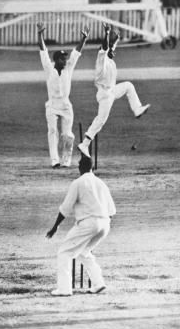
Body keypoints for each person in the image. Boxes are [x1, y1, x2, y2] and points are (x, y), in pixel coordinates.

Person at [76, 24, 150, 158]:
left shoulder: (109, 58)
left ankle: (137, 109)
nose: (114, 52)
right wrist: (106, 33)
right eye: (111, 50)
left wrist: (116, 39)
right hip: (105, 94)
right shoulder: (102, 59)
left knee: (128, 85)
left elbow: (110, 47)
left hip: (111, 91)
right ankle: (84, 144)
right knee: (101, 120)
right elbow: (105, 47)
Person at [46, 155, 116, 296]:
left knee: (64, 252)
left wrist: (55, 227)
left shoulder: (78, 183)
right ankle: (98, 283)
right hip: (105, 224)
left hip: (89, 223)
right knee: (83, 252)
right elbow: (112, 211)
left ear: (81, 167)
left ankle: (64, 289)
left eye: (79, 165)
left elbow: (66, 208)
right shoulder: (101, 183)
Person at [37, 22, 89, 168]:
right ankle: (55, 160)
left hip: (66, 106)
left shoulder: (68, 68)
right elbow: (43, 50)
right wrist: (40, 34)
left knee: (67, 134)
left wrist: (83, 39)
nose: (65, 61)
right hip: (52, 105)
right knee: (52, 131)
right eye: (61, 59)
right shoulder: (49, 68)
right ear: (56, 60)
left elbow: (76, 54)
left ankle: (66, 160)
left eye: (65, 58)